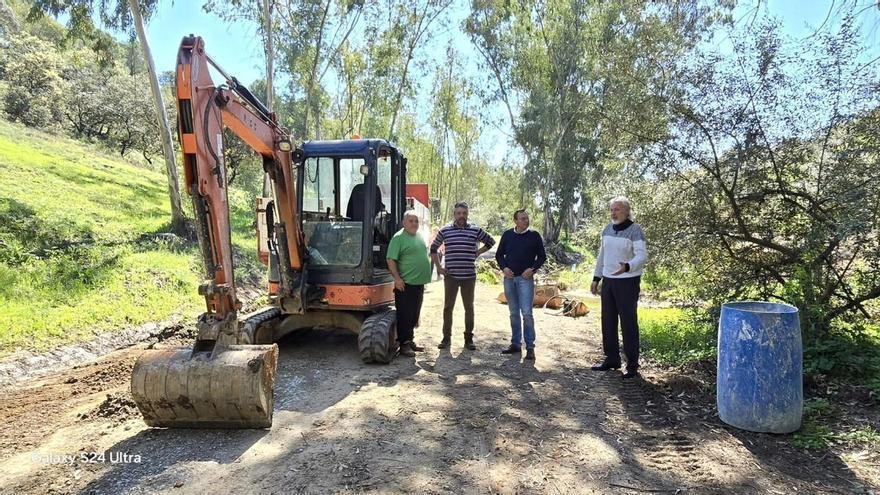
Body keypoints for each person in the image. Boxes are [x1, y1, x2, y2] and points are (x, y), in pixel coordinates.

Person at [590, 196, 648, 379]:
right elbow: (602, 255)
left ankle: (632, 365)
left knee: (628, 322)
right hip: (608, 281)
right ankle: (612, 358)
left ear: (626, 211)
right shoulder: (607, 229)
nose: (613, 213)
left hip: (628, 282)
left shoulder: (635, 230)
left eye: (617, 209)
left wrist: (628, 266)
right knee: (608, 321)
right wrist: (596, 278)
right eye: (612, 209)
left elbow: (642, 256)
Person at [430, 202, 495, 350]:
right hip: (451, 276)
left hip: (469, 276)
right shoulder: (445, 230)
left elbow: (490, 241)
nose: (461, 216)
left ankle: (468, 339)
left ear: (467, 214)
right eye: (459, 213)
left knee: (469, 308)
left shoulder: (475, 230)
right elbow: (433, 248)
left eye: (464, 213)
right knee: (448, 308)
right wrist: (439, 267)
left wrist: (478, 252)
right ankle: (446, 338)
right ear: (454, 214)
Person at [495, 209, 546, 361]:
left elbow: (542, 256)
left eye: (527, 218)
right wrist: (504, 268)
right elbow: (499, 254)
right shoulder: (507, 235)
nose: (526, 221)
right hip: (509, 278)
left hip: (525, 279)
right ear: (515, 221)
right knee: (513, 313)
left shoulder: (534, 236)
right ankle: (516, 344)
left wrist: (533, 269)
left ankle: (530, 347)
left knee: (527, 313)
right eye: (522, 219)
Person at [386, 210, 432, 357]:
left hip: (418, 284)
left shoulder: (418, 236)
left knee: (414, 314)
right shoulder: (398, 238)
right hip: (405, 284)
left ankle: (410, 340)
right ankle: (404, 344)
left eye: (416, 221)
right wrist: (397, 279)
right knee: (405, 315)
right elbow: (390, 259)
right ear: (404, 223)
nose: (414, 224)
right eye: (411, 221)